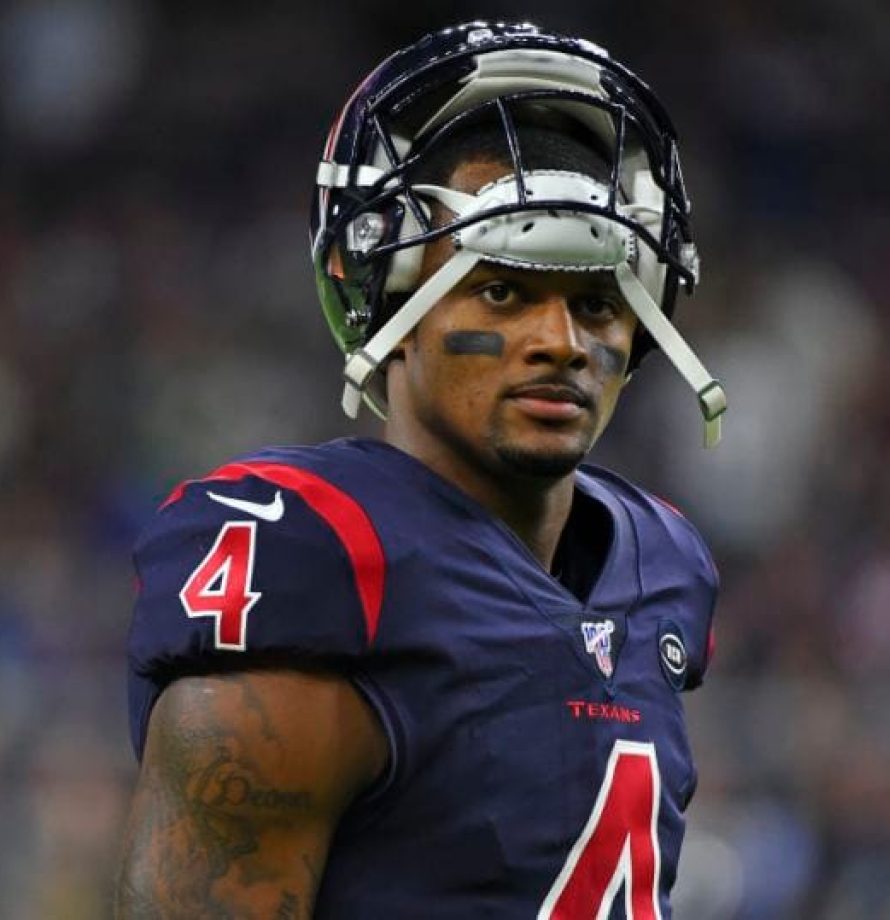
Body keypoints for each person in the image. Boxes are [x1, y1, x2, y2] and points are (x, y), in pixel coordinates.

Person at [116, 21, 726, 919]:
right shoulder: (323, 567)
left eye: (596, 300)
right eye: (503, 289)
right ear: (387, 289)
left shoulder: (663, 564)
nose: (559, 343)